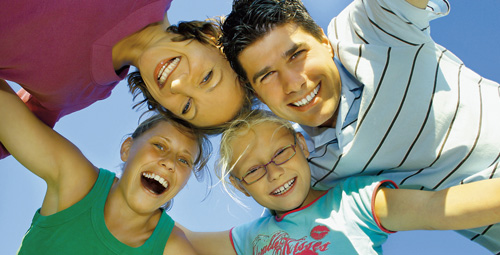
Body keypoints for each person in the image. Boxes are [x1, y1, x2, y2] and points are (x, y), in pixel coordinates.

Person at [220, 0, 500, 251]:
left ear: (323, 40)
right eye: (267, 75)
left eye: (296, 55)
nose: (294, 83)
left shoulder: (368, 27)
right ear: (256, 93)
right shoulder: (302, 167)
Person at [182, 110, 500, 255]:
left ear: (302, 146)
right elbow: (173, 238)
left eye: (280, 152)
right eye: (253, 170)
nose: (274, 172)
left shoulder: (353, 201)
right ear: (240, 186)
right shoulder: (252, 238)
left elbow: (438, 210)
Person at [0, 0, 251, 159]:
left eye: (186, 106)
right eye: (207, 77)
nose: (177, 84)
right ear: (210, 39)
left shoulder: (80, 92)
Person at [0, 79, 212, 254]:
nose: (170, 163)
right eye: (159, 145)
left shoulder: (173, 249)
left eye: (184, 160)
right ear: (127, 149)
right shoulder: (76, 181)